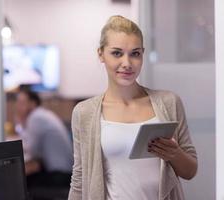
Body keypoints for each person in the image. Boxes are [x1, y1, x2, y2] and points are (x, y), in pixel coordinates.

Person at [68, 15, 197, 200]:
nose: (127, 63)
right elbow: (80, 180)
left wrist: (174, 154)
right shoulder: (84, 113)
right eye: (117, 53)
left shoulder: (169, 102)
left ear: (142, 54)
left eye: (135, 53)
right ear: (101, 54)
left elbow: (190, 171)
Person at [14, 88, 73, 187]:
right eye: (18, 103)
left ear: (32, 103)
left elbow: (32, 150)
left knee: (20, 183)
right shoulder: (41, 114)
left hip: (60, 175)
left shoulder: (36, 117)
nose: (18, 107)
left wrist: (20, 125)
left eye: (22, 103)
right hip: (64, 171)